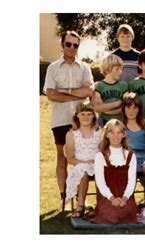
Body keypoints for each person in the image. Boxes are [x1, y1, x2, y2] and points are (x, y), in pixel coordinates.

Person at [43, 30, 94, 210]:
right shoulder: (53, 68)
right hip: (60, 120)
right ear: (62, 45)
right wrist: (75, 94)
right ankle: (64, 198)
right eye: (68, 44)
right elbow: (50, 94)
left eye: (75, 45)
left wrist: (64, 91)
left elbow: (88, 92)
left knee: (81, 159)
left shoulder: (85, 68)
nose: (72, 48)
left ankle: (81, 198)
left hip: (82, 121)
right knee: (62, 159)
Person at [86, 119, 138, 224]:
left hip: (125, 197)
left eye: (119, 132)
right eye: (112, 132)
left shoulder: (130, 156)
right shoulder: (100, 156)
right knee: (111, 215)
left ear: (123, 135)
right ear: (107, 135)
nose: (116, 136)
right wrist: (112, 198)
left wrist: (124, 198)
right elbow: (100, 182)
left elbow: (132, 181)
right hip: (107, 197)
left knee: (126, 214)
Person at [64, 100, 101, 217]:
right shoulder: (71, 134)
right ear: (77, 116)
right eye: (83, 114)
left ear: (93, 116)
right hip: (80, 163)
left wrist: (97, 161)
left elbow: (105, 151)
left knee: (101, 170)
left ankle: (101, 204)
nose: (86, 117)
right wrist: (84, 162)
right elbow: (70, 159)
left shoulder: (100, 132)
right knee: (83, 171)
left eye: (89, 114)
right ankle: (81, 206)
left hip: (97, 162)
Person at [120, 92, 145, 202]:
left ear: (139, 109)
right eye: (128, 107)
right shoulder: (121, 126)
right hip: (127, 158)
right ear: (123, 109)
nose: (131, 111)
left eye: (135, 108)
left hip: (143, 157)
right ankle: (129, 201)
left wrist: (143, 157)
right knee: (128, 172)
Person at [92, 54, 129, 127]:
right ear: (108, 69)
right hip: (103, 122)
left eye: (121, 69)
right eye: (117, 69)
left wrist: (106, 110)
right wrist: (117, 103)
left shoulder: (123, 85)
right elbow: (97, 108)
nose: (121, 72)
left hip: (120, 122)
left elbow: (125, 107)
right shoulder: (99, 86)